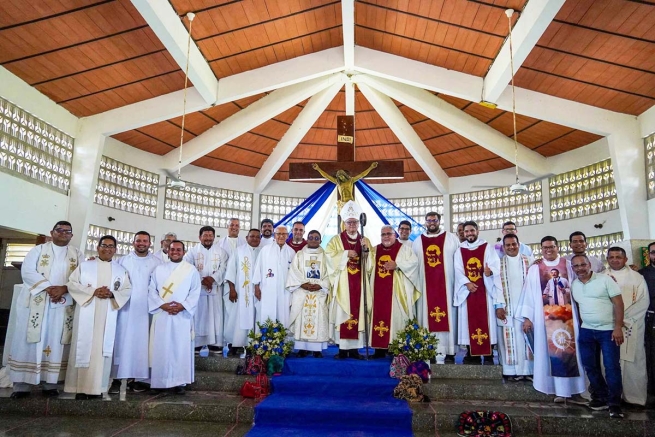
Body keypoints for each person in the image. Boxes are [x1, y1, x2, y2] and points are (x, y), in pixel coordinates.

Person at [8, 221, 82, 399]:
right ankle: (22, 385)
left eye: (67, 231)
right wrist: (49, 288)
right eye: (60, 230)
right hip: (37, 302)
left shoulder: (77, 254)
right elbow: (27, 272)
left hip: (62, 305)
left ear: (71, 235)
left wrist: (63, 289)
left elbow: (82, 276)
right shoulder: (38, 251)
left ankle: (50, 383)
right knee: (30, 340)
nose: (63, 233)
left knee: (55, 341)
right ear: (52, 232)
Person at [518, 236, 586, 404]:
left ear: (558, 247)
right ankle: (559, 391)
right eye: (545, 247)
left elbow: (578, 286)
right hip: (545, 317)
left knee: (571, 351)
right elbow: (529, 292)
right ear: (541, 249)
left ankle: (575, 390)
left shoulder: (568, 265)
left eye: (552, 247)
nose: (548, 250)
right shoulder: (536, 268)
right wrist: (527, 317)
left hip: (567, 315)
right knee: (552, 352)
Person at [64, 236, 131, 399]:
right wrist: (93, 291)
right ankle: (79, 388)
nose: (107, 249)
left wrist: (112, 293)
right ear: (98, 247)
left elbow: (127, 290)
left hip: (108, 312)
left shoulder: (120, 270)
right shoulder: (85, 266)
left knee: (102, 350)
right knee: (83, 346)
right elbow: (72, 284)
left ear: (115, 250)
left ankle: (99, 388)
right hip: (87, 309)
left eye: (111, 246)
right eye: (104, 245)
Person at [571, 254, 625, 419]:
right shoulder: (574, 284)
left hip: (608, 331)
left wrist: (617, 327)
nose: (580, 268)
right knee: (590, 366)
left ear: (589, 265)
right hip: (586, 331)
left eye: (583, 265)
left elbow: (618, 303)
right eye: (576, 266)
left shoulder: (605, 280)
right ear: (573, 269)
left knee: (611, 367)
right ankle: (601, 396)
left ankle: (615, 404)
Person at [108, 231, 161, 395]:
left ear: (150, 244)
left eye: (145, 241)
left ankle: (140, 379)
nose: (142, 243)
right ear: (133, 242)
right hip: (126, 308)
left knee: (144, 342)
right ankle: (118, 379)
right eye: (139, 241)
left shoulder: (157, 263)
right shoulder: (122, 261)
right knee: (122, 342)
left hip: (147, 310)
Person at [148, 241, 201, 395]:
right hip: (162, 314)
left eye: (179, 250)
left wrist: (183, 305)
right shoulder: (159, 269)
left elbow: (195, 292)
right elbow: (152, 290)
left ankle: (180, 382)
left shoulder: (190, 270)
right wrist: (162, 305)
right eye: (172, 250)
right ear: (168, 251)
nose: (175, 252)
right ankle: (161, 382)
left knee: (180, 349)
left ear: (184, 252)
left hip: (182, 316)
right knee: (162, 348)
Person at [325, 200, 372, 360]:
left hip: (359, 282)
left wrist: (366, 252)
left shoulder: (365, 240)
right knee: (342, 313)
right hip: (343, 286)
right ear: (344, 223)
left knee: (358, 313)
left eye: (355, 222)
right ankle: (343, 349)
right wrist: (345, 254)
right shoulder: (335, 240)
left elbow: (370, 263)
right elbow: (329, 257)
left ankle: (355, 350)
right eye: (349, 222)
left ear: (359, 223)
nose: (352, 225)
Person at [453, 221, 505, 365]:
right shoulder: (459, 250)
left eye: (472, 231)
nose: (469, 234)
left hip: (485, 290)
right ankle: (472, 354)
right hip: (468, 291)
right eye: (466, 231)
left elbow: (495, 265)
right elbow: (457, 270)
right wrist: (467, 283)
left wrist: (490, 272)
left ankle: (488, 355)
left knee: (487, 322)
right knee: (467, 322)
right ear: (463, 233)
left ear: (477, 231)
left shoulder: (487, 247)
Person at [412, 212, 459, 363]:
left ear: (439, 221)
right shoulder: (418, 241)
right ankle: (429, 349)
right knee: (426, 317)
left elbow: (459, 263)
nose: (432, 222)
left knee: (449, 317)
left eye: (435, 220)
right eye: (429, 220)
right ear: (425, 222)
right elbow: (413, 266)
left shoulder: (452, 239)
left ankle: (450, 351)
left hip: (448, 287)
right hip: (425, 287)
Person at [605, 247, 649, 406]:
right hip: (608, 326)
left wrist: (623, 320)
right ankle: (611, 396)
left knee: (632, 363)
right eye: (611, 257)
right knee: (608, 362)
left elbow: (643, 302)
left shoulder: (637, 278)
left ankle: (633, 398)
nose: (615, 260)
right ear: (607, 259)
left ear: (625, 259)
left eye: (618, 257)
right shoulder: (602, 276)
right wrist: (612, 321)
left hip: (631, 326)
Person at [370, 225, 420, 358]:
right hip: (378, 292)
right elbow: (367, 268)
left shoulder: (405, 250)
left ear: (395, 235)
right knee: (378, 317)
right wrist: (365, 254)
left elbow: (414, 264)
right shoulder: (374, 250)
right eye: (383, 234)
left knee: (397, 319)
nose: (386, 236)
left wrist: (397, 265)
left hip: (397, 293)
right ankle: (379, 349)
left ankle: (396, 348)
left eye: (389, 234)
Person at [183, 226, 228, 353]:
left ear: (214, 237)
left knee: (216, 315)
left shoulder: (221, 252)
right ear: (200, 237)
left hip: (215, 289)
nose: (208, 238)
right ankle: (197, 343)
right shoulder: (192, 252)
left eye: (210, 235)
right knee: (200, 314)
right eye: (205, 235)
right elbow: (186, 266)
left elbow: (224, 268)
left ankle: (216, 343)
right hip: (198, 290)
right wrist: (202, 280)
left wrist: (213, 278)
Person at [287, 230, 331, 358]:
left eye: (316, 238)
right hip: (302, 292)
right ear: (307, 239)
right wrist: (302, 284)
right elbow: (294, 271)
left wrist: (321, 285)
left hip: (319, 293)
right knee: (302, 318)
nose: (313, 240)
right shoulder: (300, 255)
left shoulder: (326, 256)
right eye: (311, 237)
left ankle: (317, 349)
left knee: (319, 319)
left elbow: (330, 274)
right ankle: (302, 348)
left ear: (320, 241)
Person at [497, 234, 533, 380]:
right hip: (507, 309)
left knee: (526, 340)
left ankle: (528, 371)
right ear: (504, 247)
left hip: (526, 308)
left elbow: (534, 287)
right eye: (508, 245)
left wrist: (530, 312)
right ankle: (510, 371)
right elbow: (495, 287)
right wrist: (498, 305)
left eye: (514, 244)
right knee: (507, 341)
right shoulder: (498, 263)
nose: (511, 247)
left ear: (519, 244)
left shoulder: (530, 262)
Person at [225, 229, 262, 357]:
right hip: (241, 293)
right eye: (252, 236)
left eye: (257, 237)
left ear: (260, 239)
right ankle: (234, 345)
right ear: (246, 238)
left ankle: (251, 345)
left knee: (254, 319)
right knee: (237, 319)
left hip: (256, 294)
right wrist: (232, 289)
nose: (255, 239)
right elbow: (231, 270)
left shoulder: (263, 252)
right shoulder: (238, 251)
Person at [253, 225, 295, 327]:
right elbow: (258, 268)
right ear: (274, 235)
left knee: (284, 315)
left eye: (284, 234)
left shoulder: (291, 252)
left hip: (285, 291)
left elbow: (294, 274)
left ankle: (283, 341)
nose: (281, 236)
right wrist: (256, 287)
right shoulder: (265, 250)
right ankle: (266, 341)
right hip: (268, 290)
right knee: (267, 313)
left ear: (288, 236)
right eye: (278, 234)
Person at [216, 218, 246, 356]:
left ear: (240, 228)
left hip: (242, 286)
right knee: (227, 314)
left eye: (237, 225)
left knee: (240, 315)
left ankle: (240, 342)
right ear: (227, 227)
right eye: (232, 225)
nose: (234, 227)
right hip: (225, 285)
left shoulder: (244, 243)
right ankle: (229, 341)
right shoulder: (219, 244)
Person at [312, 162, 378, 211]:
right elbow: (327, 176)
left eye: (342, 176)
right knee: (343, 221)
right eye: (340, 177)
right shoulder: (338, 183)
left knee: (350, 219)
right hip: (342, 203)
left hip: (350, 202)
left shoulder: (351, 180)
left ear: (345, 175)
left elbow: (362, 175)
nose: (341, 178)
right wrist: (318, 169)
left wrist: (371, 167)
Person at [640, 242, 655, 399]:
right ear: (649, 255)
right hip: (651, 318)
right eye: (653, 252)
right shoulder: (642, 274)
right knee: (652, 356)